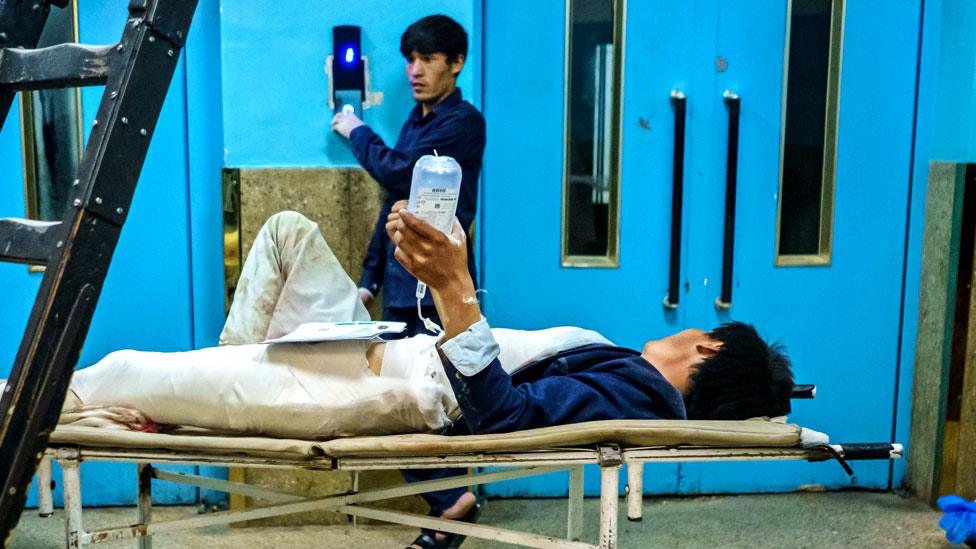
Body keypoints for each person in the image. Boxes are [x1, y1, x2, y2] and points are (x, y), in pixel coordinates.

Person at [52, 206, 793, 549]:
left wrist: (455, 286)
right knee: (286, 232)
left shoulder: (635, 392)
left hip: (372, 383)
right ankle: (212, 394)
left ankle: (162, 398)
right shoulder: (629, 372)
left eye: (697, 329)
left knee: (114, 371)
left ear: (706, 350)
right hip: (384, 348)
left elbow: (503, 418)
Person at [331, 14, 485, 336]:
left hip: (442, 288)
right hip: (400, 288)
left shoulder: (463, 122)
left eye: (428, 59)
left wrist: (358, 131)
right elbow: (395, 200)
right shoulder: (414, 123)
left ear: (457, 63)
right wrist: (369, 281)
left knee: (442, 384)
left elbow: (398, 171)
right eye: (411, 60)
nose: (415, 71)